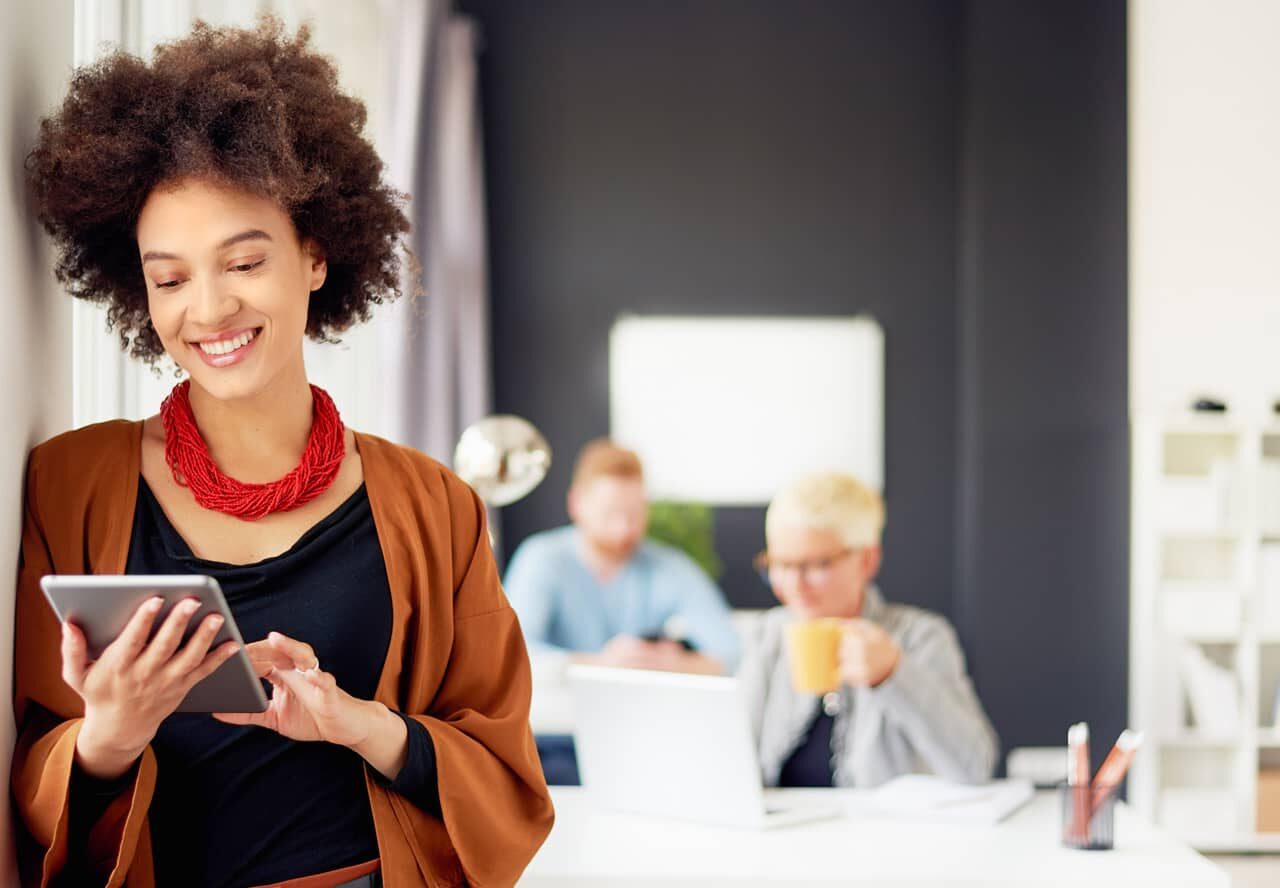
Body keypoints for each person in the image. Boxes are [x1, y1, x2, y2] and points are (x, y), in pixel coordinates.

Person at [12, 18, 551, 888]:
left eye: (245, 261)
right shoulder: (72, 485)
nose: (210, 309)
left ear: (314, 255)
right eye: (171, 277)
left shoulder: (434, 505)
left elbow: (504, 773)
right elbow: (35, 784)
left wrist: (357, 722)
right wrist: (110, 734)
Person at [739, 472, 998, 788]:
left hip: (882, 835)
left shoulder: (919, 636)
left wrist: (893, 674)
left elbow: (974, 766)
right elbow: (733, 759)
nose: (795, 585)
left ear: (866, 561)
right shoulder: (769, 635)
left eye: (817, 564)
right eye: (781, 565)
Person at [504, 439, 740, 676]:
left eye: (635, 514)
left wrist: (676, 664)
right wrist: (600, 665)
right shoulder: (541, 559)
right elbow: (509, 655)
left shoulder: (669, 566)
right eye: (610, 514)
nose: (623, 529)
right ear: (576, 504)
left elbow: (733, 654)